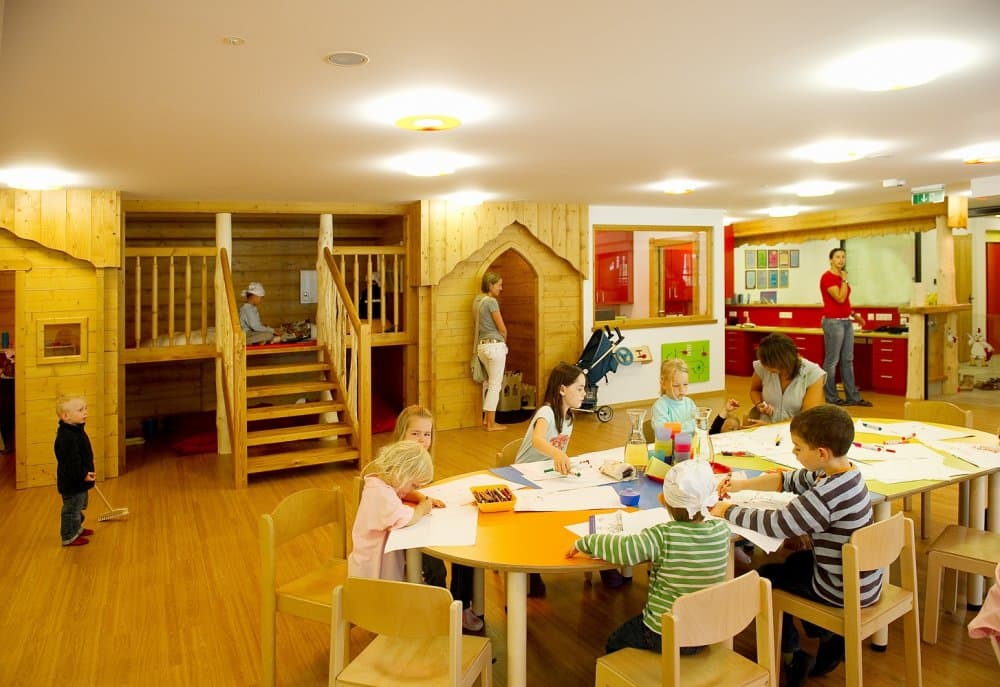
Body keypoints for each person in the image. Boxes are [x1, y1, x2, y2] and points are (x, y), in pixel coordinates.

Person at [710, 404, 881, 687]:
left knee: (765, 579)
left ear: (821, 453)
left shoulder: (825, 495)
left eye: (798, 448)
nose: (794, 452)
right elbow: (788, 480)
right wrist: (741, 486)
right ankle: (827, 635)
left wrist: (728, 510)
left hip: (841, 590)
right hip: (864, 580)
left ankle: (793, 655)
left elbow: (778, 524)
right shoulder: (845, 473)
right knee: (794, 563)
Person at [567, 460, 730, 654]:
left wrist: (587, 542)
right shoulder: (722, 530)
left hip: (665, 634)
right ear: (711, 502)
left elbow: (625, 550)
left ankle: (643, 671)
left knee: (614, 642)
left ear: (663, 501)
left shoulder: (662, 535)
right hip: (706, 632)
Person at [392, 405, 482, 632]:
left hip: (423, 518)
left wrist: (426, 499)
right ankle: (439, 612)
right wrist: (423, 500)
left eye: (427, 434)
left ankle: (460, 607)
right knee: (436, 569)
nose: (422, 440)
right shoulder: (396, 462)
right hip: (403, 529)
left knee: (465, 547)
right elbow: (400, 490)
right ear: (402, 434)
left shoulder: (422, 459)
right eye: (415, 433)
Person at [514, 362, 587, 595]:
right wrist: (557, 454)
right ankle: (530, 572)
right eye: (579, 389)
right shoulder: (546, 412)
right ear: (562, 389)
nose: (584, 394)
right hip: (523, 476)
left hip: (546, 476)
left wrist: (561, 460)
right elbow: (538, 440)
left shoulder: (569, 418)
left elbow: (558, 452)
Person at [348, 440, 439, 581]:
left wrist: (422, 499)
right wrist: (422, 508)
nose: (413, 490)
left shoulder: (379, 483)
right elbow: (407, 518)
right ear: (401, 473)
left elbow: (402, 495)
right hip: (371, 571)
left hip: (371, 564)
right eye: (414, 485)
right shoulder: (382, 495)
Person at [820, 248, 872, 407]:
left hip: (846, 322)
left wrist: (855, 315)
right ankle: (831, 397)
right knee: (832, 361)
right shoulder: (827, 278)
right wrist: (844, 280)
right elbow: (840, 298)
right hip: (833, 322)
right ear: (831, 260)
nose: (841, 260)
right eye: (837, 257)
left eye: (843, 257)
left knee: (847, 360)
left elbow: (845, 304)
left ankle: (853, 397)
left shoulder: (841, 278)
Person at [749, 333, 825, 423]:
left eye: (774, 371)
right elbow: (755, 390)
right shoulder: (763, 366)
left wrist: (771, 427)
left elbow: (807, 417)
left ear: (786, 362)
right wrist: (759, 403)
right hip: (765, 425)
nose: (769, 372)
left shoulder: (813, 374)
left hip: (796, 428)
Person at [54, 396, 96, 547]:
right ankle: (69, 536)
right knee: (72, 509)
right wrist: (83, 474)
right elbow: (71, 462)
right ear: (66, 416)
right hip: (72, 482)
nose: (85, 412)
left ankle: (77, 528)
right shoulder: (66, 437)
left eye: (85, 408)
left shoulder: (76, 430)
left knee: (79, 505)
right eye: (80, 410)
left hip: (79, 479)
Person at [474, 271, 508, 431]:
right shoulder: (492, 302)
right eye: (499, 285)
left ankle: (486, 419)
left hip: (482, 347)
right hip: (494, 346)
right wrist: (504, 339)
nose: (501, 288)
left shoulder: (477, 301)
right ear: (490, 285)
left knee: (488, 383)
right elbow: (501, 327)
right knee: (495, 385)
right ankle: (491, 424)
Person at [650, 358, 698, 432]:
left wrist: (676, 428)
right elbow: (663, 430)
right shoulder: (660, 406)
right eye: (676, 385)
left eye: (685, 384)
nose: (682, 390)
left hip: (689, 440)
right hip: (670, 441)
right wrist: (690, 426)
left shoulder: (689, 403)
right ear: (664, 384)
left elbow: (700, 424)